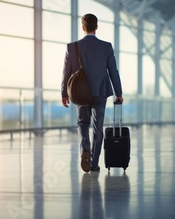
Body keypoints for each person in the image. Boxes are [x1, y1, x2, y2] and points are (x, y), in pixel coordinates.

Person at [61, 13, 123, 173]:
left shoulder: (72, 47)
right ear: (96, 27)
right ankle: (94, 163)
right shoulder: (106, 47)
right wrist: (118, 92)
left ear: (83, 27)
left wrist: (64, 93)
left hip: (80, 92)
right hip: (100, 92)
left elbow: (66, 72)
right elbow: (113, 72)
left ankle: (84, 150)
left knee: (82, 123)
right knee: (98, 127)